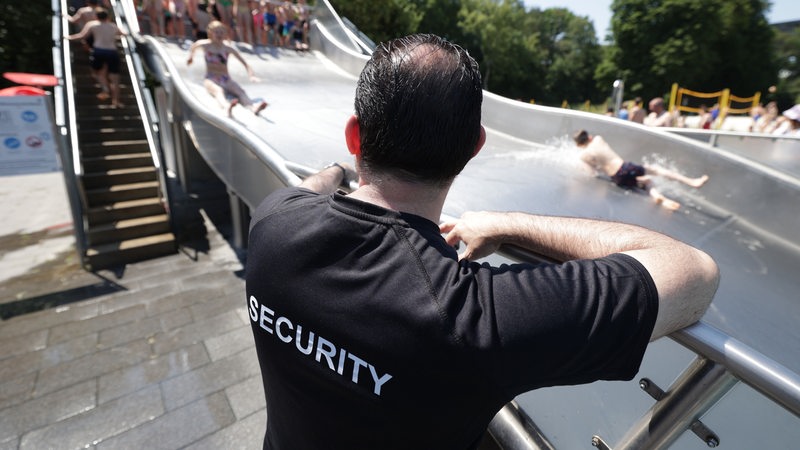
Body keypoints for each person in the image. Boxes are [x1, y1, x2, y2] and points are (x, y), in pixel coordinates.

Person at [245, 34, 719, 449]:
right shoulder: (478, 317)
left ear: (354, 135)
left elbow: (308, 188)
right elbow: (694, 271)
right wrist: (512, 224)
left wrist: (337, 172)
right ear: (475, 146)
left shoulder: (273, 223)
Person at [573, 130, 709, 210]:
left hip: (616, 177)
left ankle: (657, 197)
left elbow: (594, 173)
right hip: (625, 167)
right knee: (656, 170)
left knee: (646, 182)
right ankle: (692, 182)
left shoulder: (583, 156)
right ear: (589, 137)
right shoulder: (597, 139)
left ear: (579, 144)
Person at [186, 20, 267, 116]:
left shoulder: (228, 48)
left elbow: (245, 64)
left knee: (240, 91)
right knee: (218, 91)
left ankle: (253, 107)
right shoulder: (205, 45)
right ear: (211, 33)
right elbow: (194, 46)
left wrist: (251, 75)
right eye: (217, 32)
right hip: (211, 77)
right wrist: (191, 57)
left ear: (225, 34)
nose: (219, 34)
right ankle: (226, 107)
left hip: (226, 78)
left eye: (222, 32)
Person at [67, 7, 127, 108]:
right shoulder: (113, 26)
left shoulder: (93, 25)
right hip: (112, 52)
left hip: (99, 51)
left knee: (97, 73)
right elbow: (124, 33)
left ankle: (105, 88)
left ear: (96, 17)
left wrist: (69, 37)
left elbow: (82, 36)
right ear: (107, 17)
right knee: (115, 79)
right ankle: (115, 101)